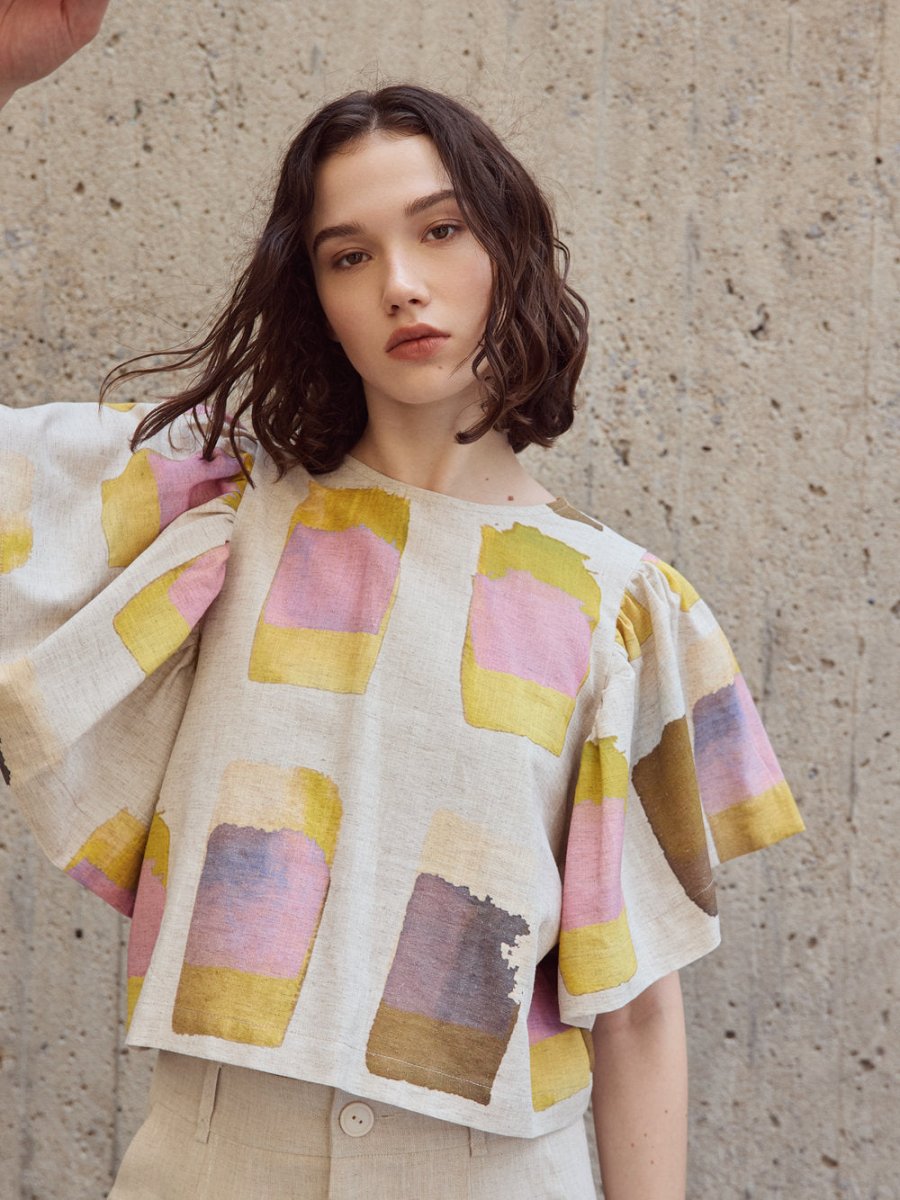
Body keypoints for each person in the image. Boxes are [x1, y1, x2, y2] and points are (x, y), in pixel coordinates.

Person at [0, 5, 804, 1199]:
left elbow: (636, 1011)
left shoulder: (621, 606)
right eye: (349, 255)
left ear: (509, 250)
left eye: (440, 230)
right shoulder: (213, 515)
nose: (402, 285)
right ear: (316, 297)